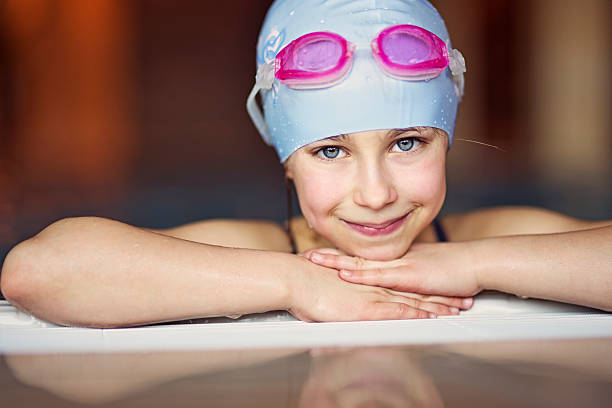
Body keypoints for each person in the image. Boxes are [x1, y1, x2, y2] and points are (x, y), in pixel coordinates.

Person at [0, 0, 610, 328]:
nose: (374, 194)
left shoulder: (482, 241)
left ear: (447, 140)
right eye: (330, 151)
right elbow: (38, 271)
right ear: (285, 162)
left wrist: (470, 263)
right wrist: (299, 283)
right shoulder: (259, 250)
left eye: (407, 144)